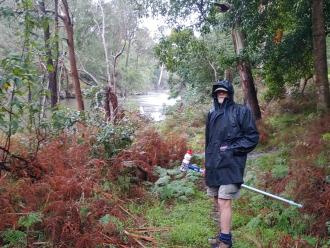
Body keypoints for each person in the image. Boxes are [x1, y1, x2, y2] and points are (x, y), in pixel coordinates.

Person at [205, 79, 259, 248]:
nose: (221, 94)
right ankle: (223, 235)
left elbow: (252, 137)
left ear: (229, 93)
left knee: (224, 200)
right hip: (213, 165)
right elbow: (208, 142)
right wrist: (206, 166)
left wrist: (230, 149)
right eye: (218, 92)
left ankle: (225, 242)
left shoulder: (241, 111)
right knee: (216, 199)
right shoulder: (211, 114)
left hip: (231, 164)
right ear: (215, 94)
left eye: (224, 92)